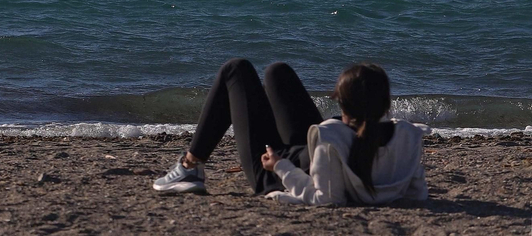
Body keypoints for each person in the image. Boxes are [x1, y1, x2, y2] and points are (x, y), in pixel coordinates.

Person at [152, 59, 426, 205]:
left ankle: (190, 165)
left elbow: (326, 198)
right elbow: (416, 194)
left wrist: (280, 166)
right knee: (277, 72)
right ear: (386, 103)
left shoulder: (331, 137)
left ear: (342, 103)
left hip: (275, 173)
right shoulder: (407, 134)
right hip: (308, 154)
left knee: (236, 70)